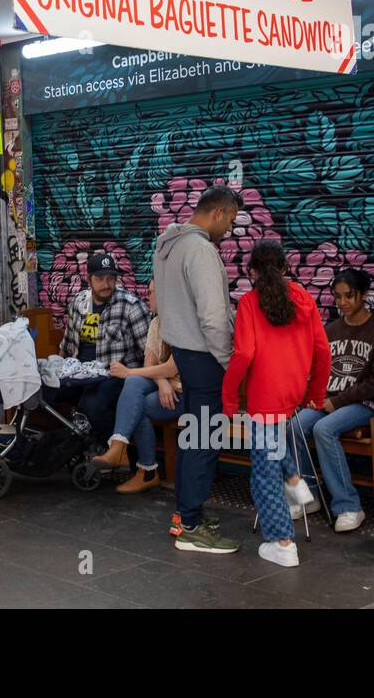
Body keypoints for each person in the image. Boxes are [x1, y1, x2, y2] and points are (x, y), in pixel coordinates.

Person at [221, 241, 331, 568]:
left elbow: (243, 355)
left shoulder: (250, 304)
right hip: (292, 393)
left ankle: (283, 543)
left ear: (252, 271)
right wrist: (316, 390)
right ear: (284, 268)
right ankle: (296, 481)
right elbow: (323, 350)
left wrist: (228, 398)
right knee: (271, 449)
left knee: (264, 475)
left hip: (264, 397)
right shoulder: (304, 298)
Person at [154, 184, 241, 553]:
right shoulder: (201, 251)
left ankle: (186, 515)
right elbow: (213, 317)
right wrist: (228, 361)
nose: (231, 230)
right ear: (218, 212)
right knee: (205, 441)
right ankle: (190, 525)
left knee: (194, 437)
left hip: (185, 356)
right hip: (206, 359)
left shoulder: (166, 245)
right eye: (231, 221)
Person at [292, 268, 374, 533]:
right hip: (330, 400)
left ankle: (349, 506)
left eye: (349, 296)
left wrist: (336, 402)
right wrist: (316, 397)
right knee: (293, 428)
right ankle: (310, 496)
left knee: (324, 429)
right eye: (338, 297)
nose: (343, 302)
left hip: (363, 404)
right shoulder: (331, 330)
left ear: (363, 295)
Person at [90, 277, 180, 493]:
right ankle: (120, 447)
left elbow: (171, 367)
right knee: (134, 385)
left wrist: (130, 371)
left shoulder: (182, 324)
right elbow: (150, 364)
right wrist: (162, 383)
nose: (147, 297)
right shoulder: (157, 322)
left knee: (137, 401)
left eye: (151, 293)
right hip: (168, 388)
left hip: (186, 393)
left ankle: (145, 469)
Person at [59, 250, 150, 444]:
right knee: (50, 393)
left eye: (111, 278)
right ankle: (71, 447)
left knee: (91, 405)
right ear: (89, 279)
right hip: (80, 372)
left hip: (115, 374)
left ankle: (111, 451)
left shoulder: (131, 306)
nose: (106, 284)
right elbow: (67, 344)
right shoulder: (78, 302)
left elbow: (149, 352)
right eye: (100, 279)